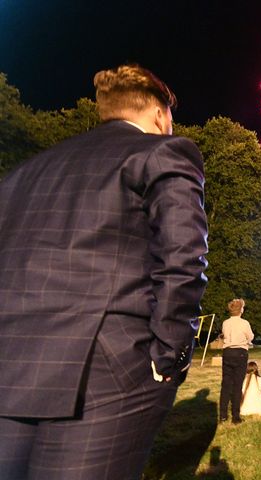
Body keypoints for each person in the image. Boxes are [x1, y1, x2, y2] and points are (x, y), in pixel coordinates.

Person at [0, 64, 208, 479]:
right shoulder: (162, 151)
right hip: (106, 362)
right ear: (160, 115)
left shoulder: (22, 174)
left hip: (10, 359)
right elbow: (183, 255)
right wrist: (169, 356)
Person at [219, 298, 254, 424]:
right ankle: (235, 416)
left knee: (226, 385)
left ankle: (223, 415)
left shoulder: (225, 323)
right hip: (240, 353)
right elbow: (250, 336)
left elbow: (224, 335)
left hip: (227, 353)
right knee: (237, 385)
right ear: (241, 310)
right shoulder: (244, 323)